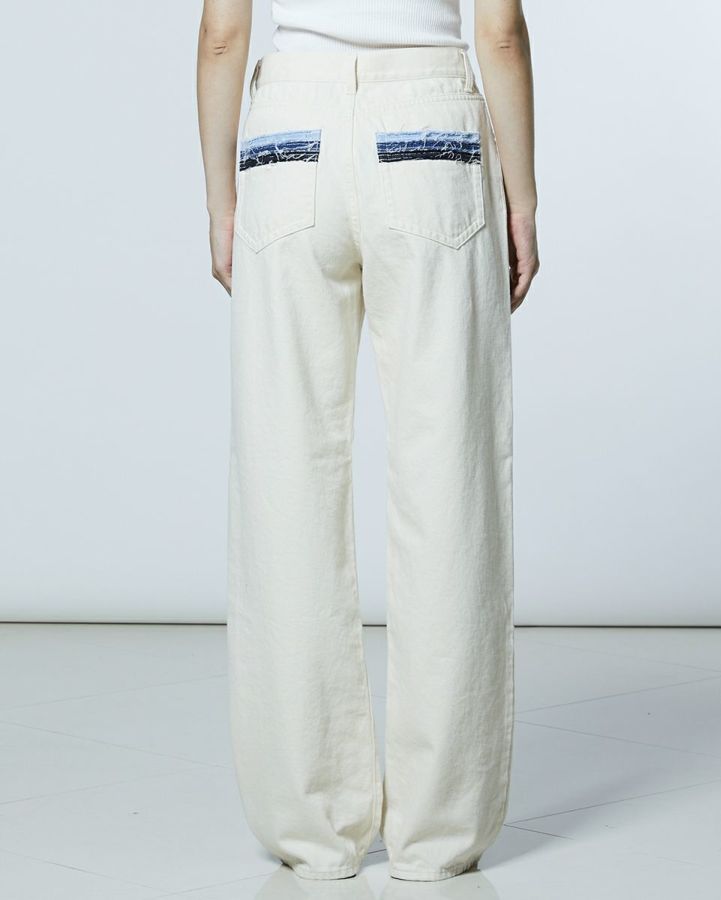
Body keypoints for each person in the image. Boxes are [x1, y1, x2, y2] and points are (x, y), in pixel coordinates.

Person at [197, 0, 539, 883]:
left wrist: (221, 200)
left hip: (288, 133)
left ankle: (312, 825)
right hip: (432, 130)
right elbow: (499, 31)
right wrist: (524, 197)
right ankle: (440, 830)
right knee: (448, 476)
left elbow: (223, 33)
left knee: (285, 475)